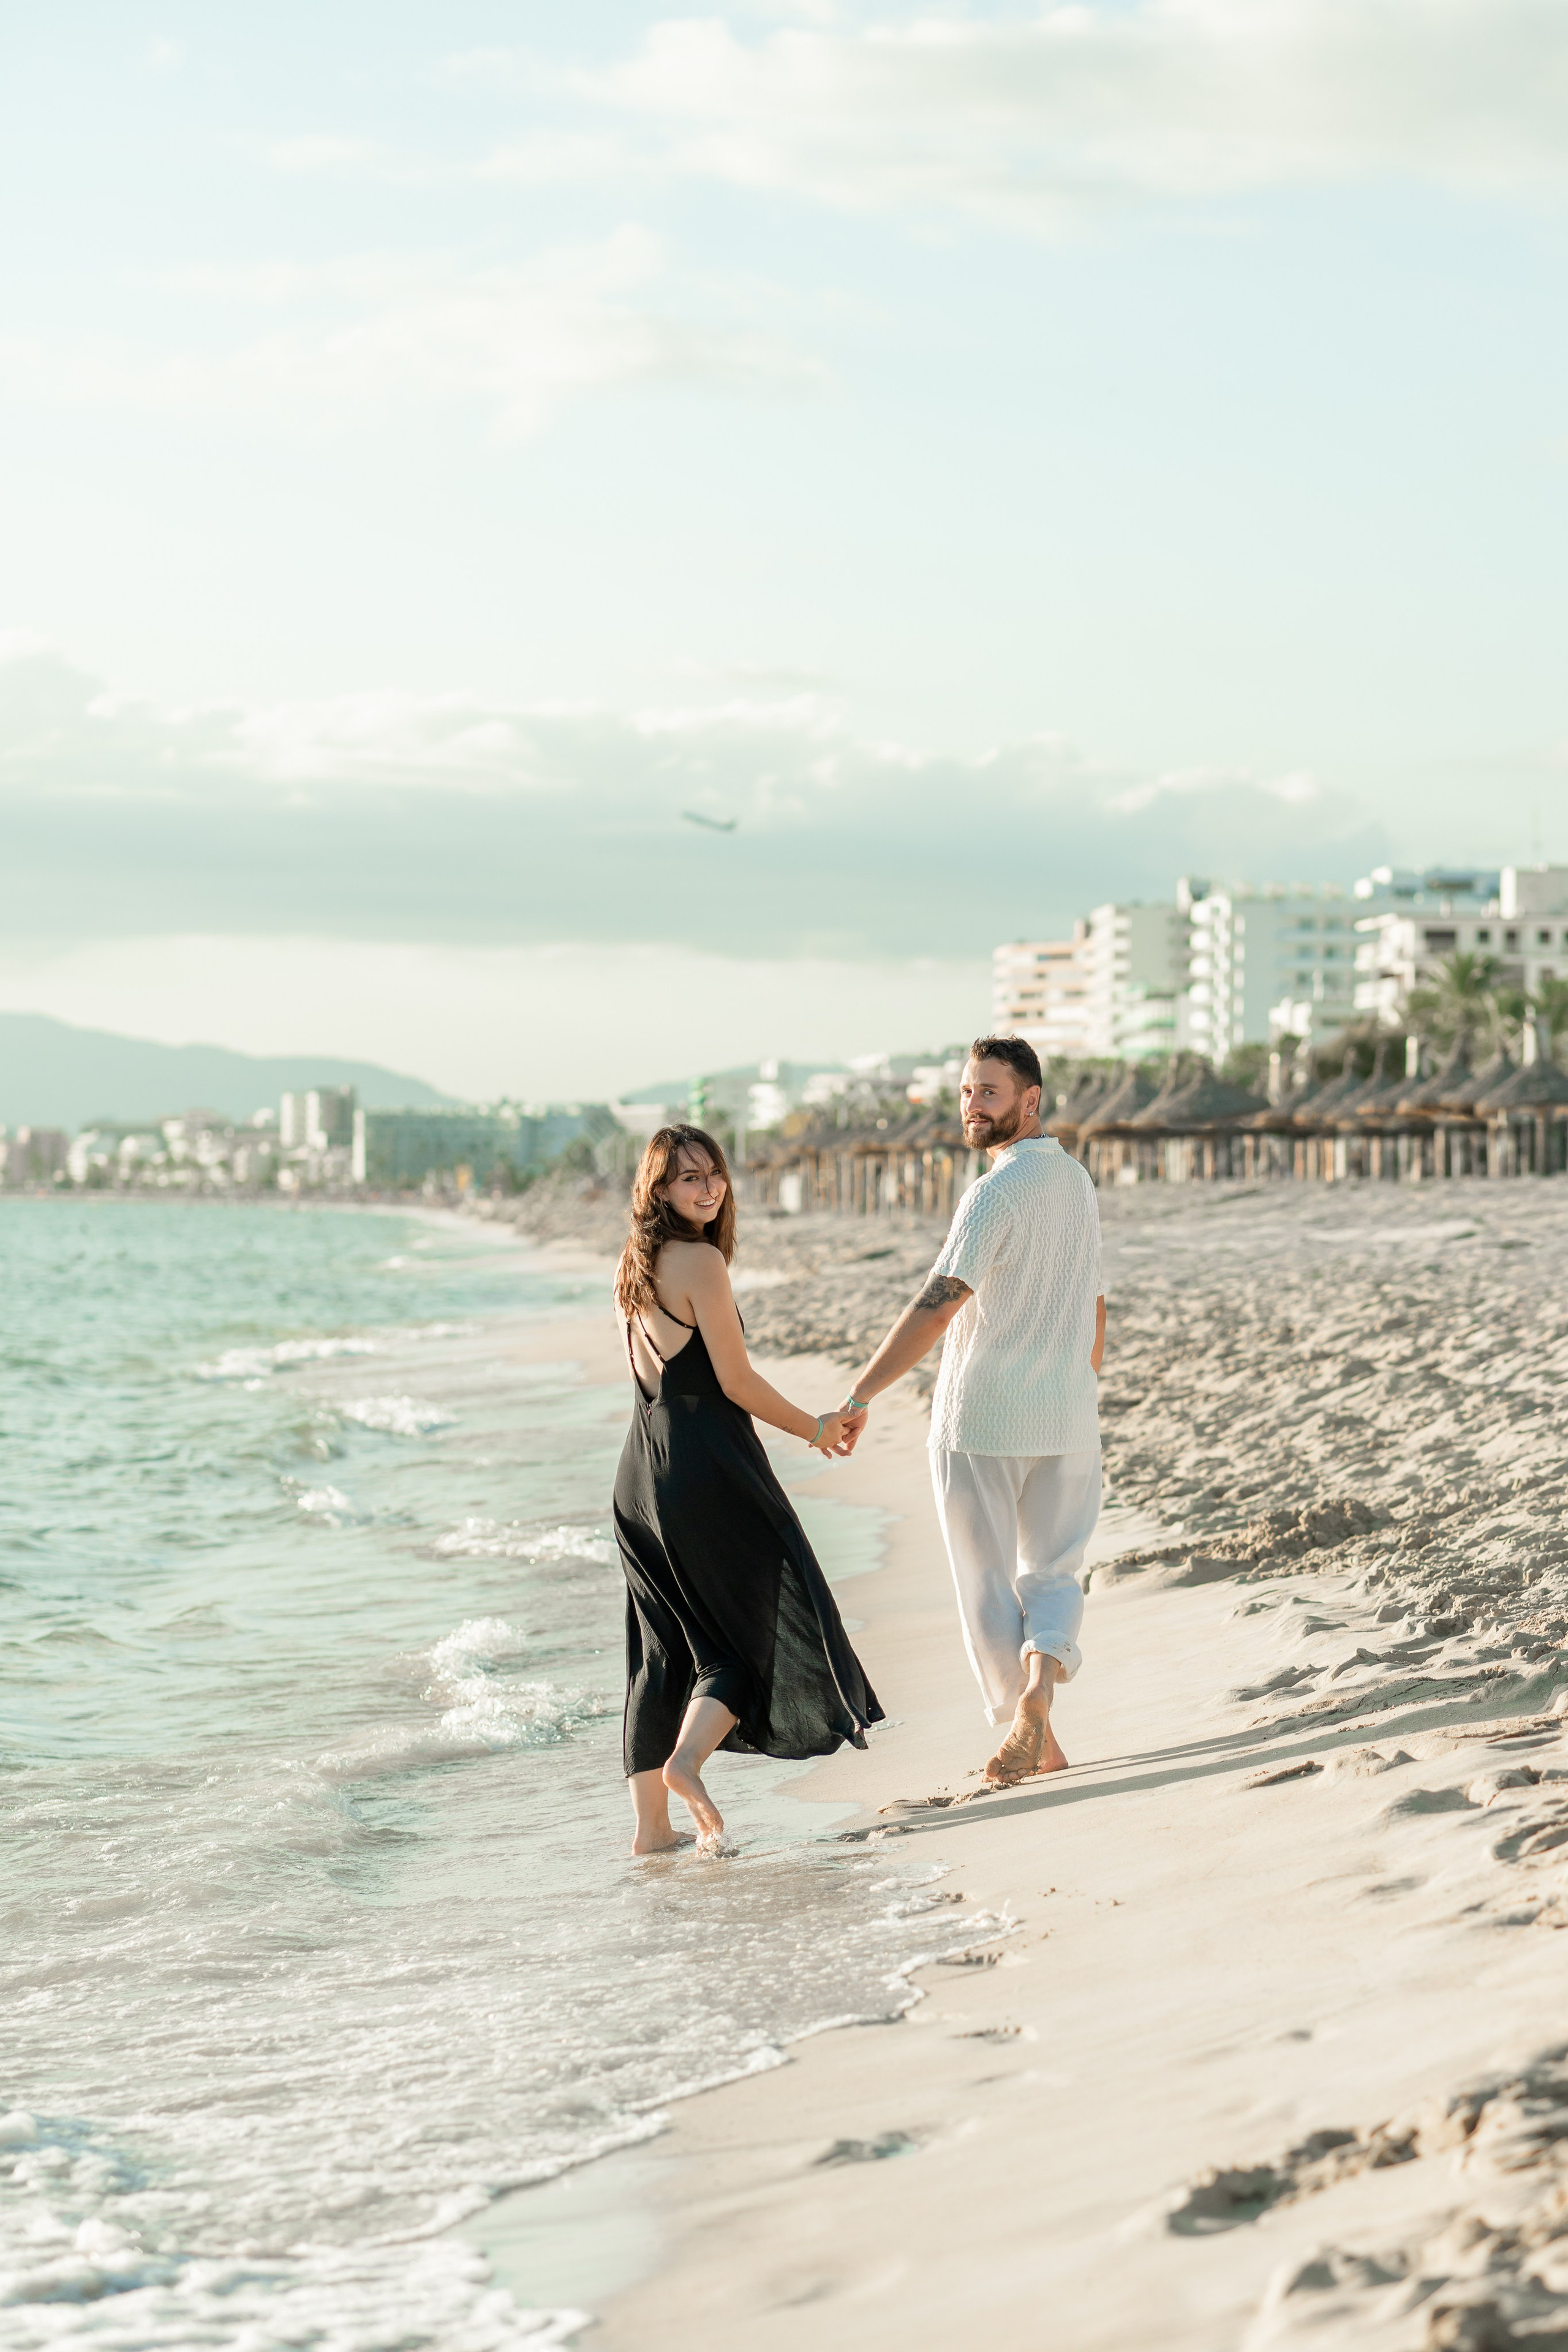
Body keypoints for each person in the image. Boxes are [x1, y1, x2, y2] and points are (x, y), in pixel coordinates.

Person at [837, 1037, 1104, 1786]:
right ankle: (1039, 1698)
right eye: (965, 1091)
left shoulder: (993, 1193)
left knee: (985, 1581)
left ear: (1030, 1100)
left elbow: (938, 1306)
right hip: (1066, 1415)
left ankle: (1030, 1727)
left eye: (989, 1091)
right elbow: (1094, 1303)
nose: (972, 1106)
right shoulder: (1077, 1182)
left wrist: (859, 1396)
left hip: (982, 1417)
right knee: (1053, 1572)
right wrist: (1076, 1387)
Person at [612, 1124, 884, 1853]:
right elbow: (734, 1382)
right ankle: (686, 1764)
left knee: (659, 1652)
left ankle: (651, 1832)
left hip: (638, 1475)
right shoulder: (700, 1261)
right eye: (689, 1178)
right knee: (744, 1636)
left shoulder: (633, 1265)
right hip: (707, 1466)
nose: (708, 1188)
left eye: (713, 1173)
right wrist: (815, 1428)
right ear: (659, 1189)